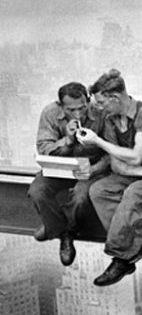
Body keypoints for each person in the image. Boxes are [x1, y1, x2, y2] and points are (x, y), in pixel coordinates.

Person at [78, 69, 142, 286]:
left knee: (134, 193)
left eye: (101, 103)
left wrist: (98, 142)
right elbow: (116, 162)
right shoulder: (111, 119)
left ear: (115, 98)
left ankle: (121, 257)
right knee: (99, 190)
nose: (99, 108)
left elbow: (136, 156)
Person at [28, 82, 109, 266]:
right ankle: (61, 231)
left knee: (81, 197)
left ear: (88, 101)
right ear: (61, 106)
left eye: (82, 108)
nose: (78, 114)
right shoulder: (50, 113)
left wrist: (94, 169)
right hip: (59, 167)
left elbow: (111, 150)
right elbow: (44, 148)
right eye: (71, 110)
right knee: (38, 191)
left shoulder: (101, 112)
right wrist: (68, 140)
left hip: (90, 168)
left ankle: (58, 229)